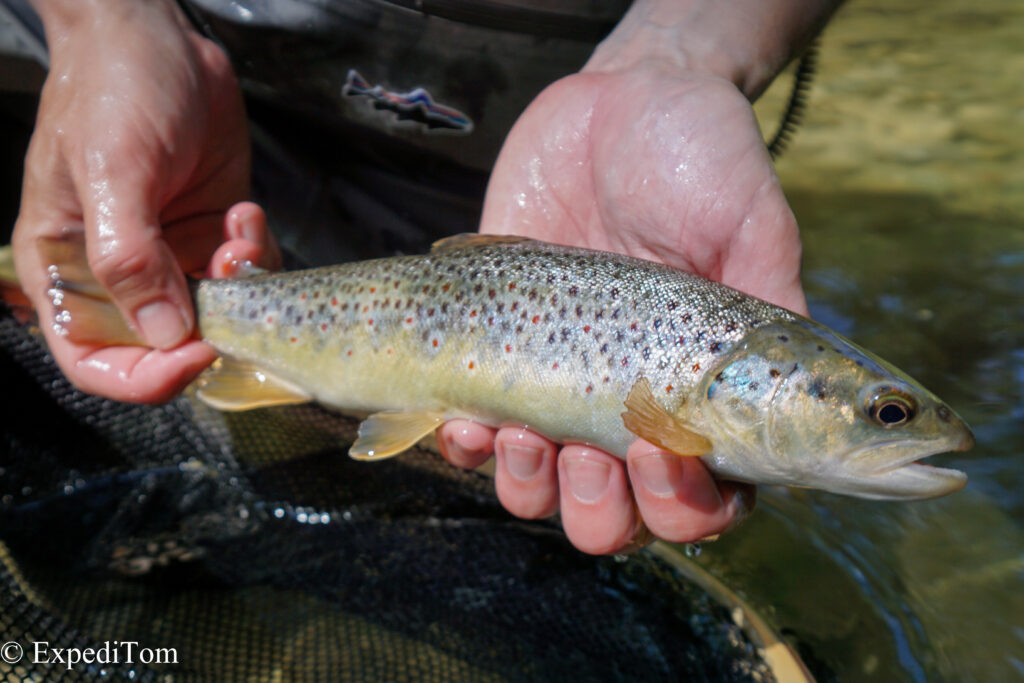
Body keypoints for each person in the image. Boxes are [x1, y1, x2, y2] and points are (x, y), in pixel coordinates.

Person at [10, 0, 836, 554]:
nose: (897, 425)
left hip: (542, 113)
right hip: (185, 39)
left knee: (461, 465)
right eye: (887, 412)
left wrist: (679, 52)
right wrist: (101, 21)